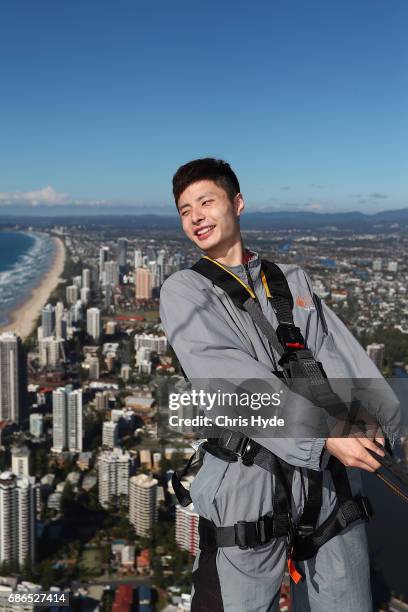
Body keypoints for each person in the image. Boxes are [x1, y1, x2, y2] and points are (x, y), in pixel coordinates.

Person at [159, 158, 399, 612]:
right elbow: (231, 383)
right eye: (185, 210)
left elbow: (341, 358)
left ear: (238, 203)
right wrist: (325, 432)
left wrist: (382, 427)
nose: (196, 217)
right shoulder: (185, 291)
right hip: (248, 478)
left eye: (206, 202)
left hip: (329, 480)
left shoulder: (291, 280)